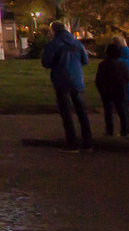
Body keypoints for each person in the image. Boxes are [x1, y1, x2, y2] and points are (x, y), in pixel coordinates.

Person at [40, 20, 93, 152]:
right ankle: (88, 143)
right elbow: (85, 60)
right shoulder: (77, 43)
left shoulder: (53, 45)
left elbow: (46, 62)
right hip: (77, 80)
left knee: (66, 112)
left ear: (53, 30)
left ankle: (72, 143)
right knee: (81, 112)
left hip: (61, 80)